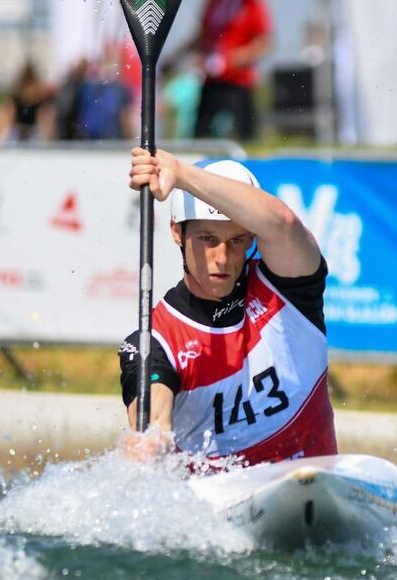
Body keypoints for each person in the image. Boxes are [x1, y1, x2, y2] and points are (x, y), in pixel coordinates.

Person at [118, 147, 337, 466]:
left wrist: (181, 174)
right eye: (207, 239)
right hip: (220, 506)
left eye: (235, 240)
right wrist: (151, 440)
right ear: (177, 232)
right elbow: (153, 418)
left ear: (251, 238)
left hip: (313, 482)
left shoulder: (288, 289)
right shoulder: (155, 340)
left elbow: (284, 223)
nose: (222, 257)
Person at [171, 0, 272, 141]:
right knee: (201, 134)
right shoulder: (213, 4)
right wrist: (176, 57)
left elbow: (264, 41)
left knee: (243, 135)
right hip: (211, 81)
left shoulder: (251, 5)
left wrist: (241, 56)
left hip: (238, 82)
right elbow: (202, 36)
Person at [0, 61, 55, 144]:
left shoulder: (43, 106)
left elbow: (49, 135)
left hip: (34, 142)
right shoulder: (12, 105)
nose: (29, 91)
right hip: (15, 142)